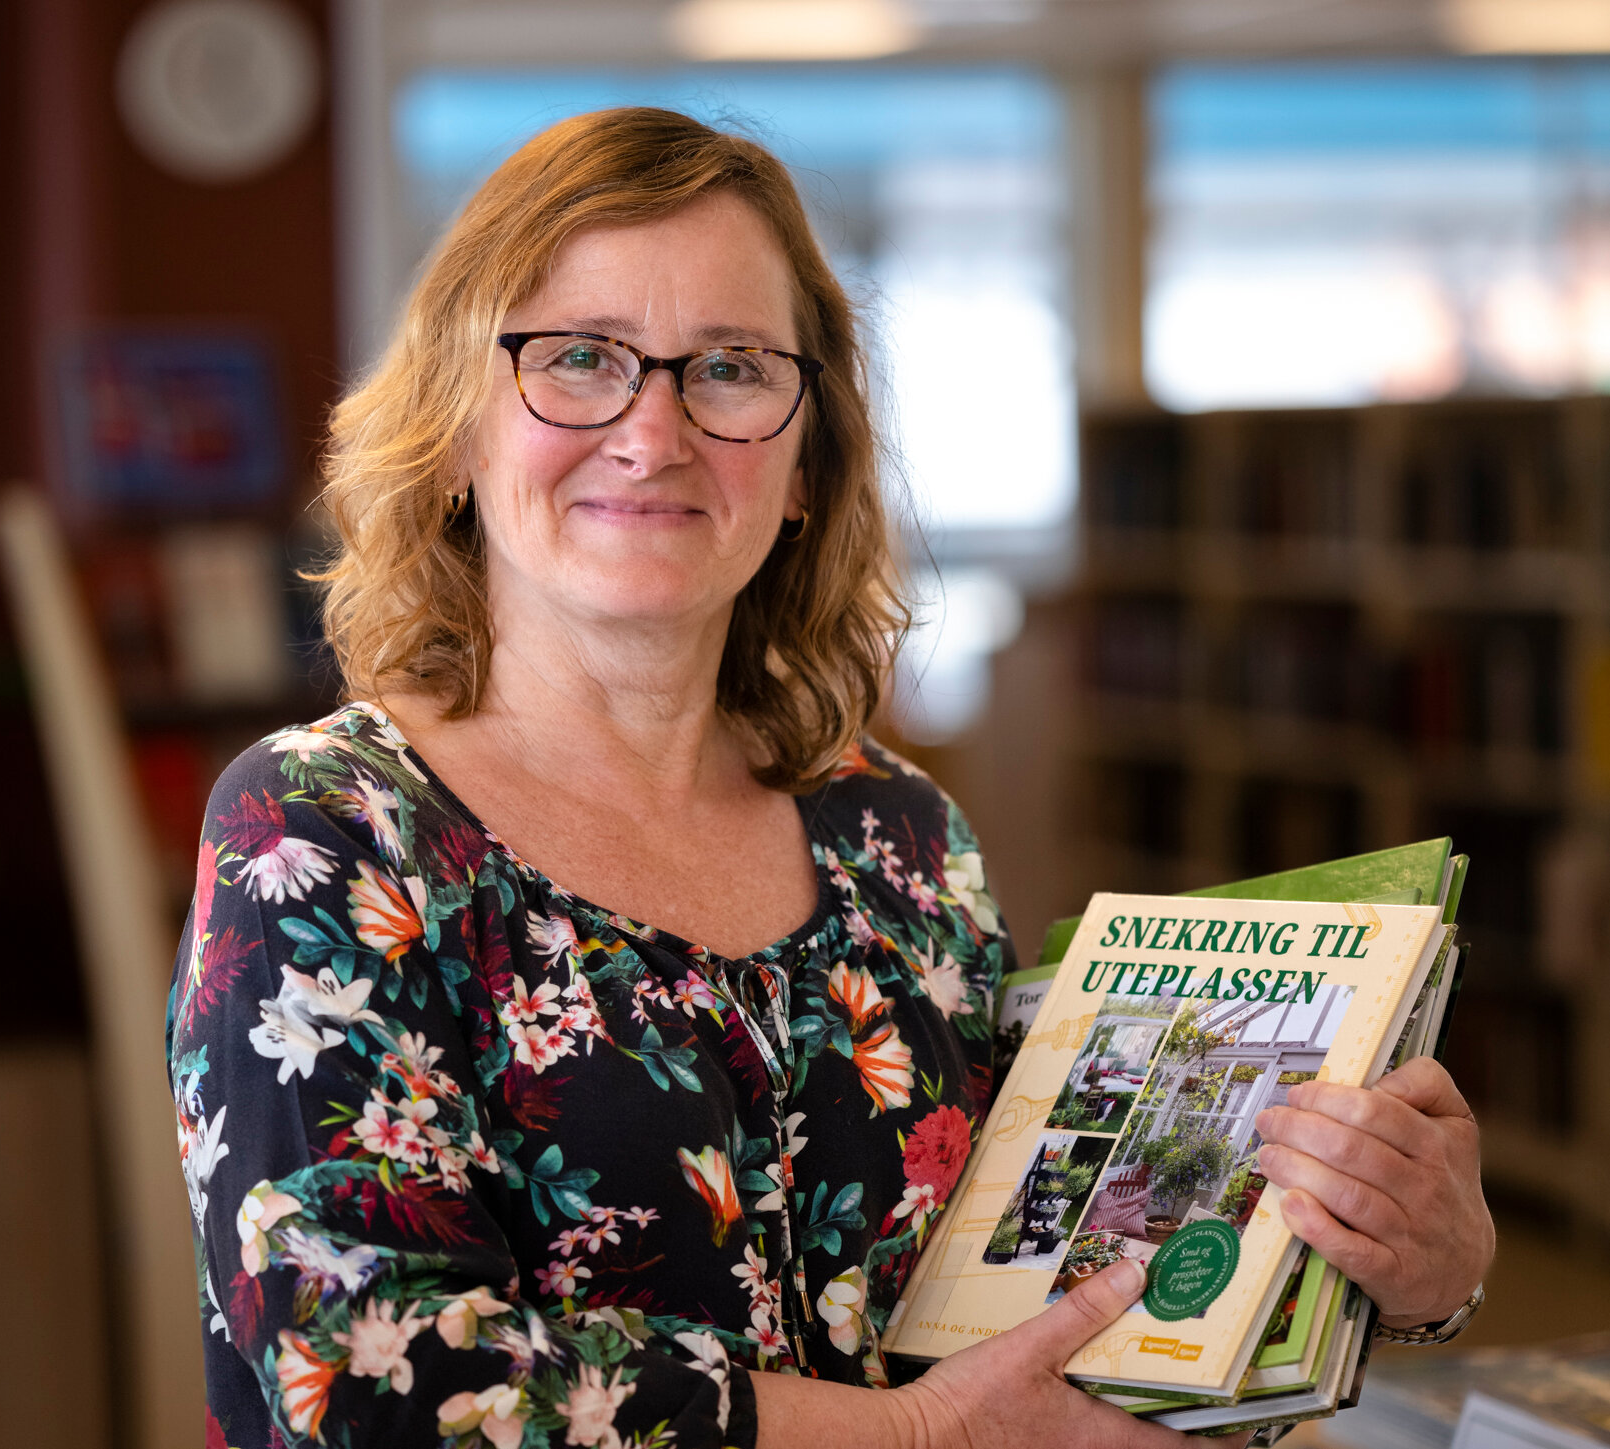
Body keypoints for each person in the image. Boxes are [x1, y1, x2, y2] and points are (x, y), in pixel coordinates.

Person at [165, 107, 1493, 1449]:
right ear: (456, 427)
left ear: (804, 464)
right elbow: (368, 1391)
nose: (653, 428)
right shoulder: (326, 830)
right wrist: (921, 1438)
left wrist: (1397, 1266)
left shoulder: (900, 838)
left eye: (729, 367)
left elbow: (1052, 1297)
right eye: (576, 357)